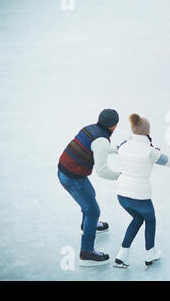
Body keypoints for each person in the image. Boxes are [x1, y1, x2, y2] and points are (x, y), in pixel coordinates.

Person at [113, 113, 170, 268]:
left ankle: (122, 254)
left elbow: (118, 147)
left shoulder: (124, 146)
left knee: (137, 219)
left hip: (122, 194)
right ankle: (150, 253)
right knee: (150, 220)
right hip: (139, 196)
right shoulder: (150, 152)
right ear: (147, 131)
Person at [57, 109, 121, 266]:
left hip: (65, 170)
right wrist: (122, 176)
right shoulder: (102, 140)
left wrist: (116, 149)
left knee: (90, 194)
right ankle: (86, 253)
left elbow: (96, 149)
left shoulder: (90, 128)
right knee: (93, 210)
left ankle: (86, 225)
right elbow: (102, 171)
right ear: (114, 126)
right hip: (72, 177)